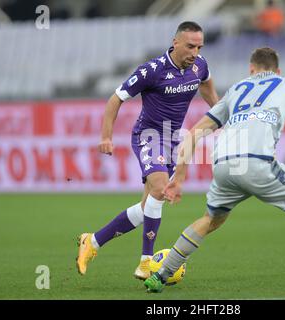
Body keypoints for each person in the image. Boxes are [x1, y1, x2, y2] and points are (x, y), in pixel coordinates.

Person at [144, 47, 285, 293]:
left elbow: (194, 133)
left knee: (210, 220)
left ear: (251, 69)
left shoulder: (236, 90)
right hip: (256, 163)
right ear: (277, 70)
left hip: (224, 165)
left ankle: (161, 274)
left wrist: (180, 177)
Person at [76, 21, 219, 280]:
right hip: (149, 136)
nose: (194, 52)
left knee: (147, 208)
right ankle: (145, 262)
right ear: (175, 42)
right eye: (189, 46)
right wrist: (106, 136)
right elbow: (115, 98)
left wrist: (220, 116)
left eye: (199, 47)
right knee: (160, 187)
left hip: (174, 140)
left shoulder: (200, 66)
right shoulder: (151, 71)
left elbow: (208, 89)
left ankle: (92, 242)